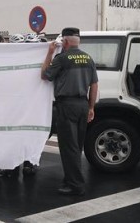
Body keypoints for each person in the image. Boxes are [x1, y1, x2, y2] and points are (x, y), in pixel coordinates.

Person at [41, 27, 98, 196]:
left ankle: (75, 185)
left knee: (69, 148)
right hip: (82, 105)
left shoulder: (62, 58)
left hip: (67, 106)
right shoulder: (88, 59)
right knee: (77, 146)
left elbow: (45, 75)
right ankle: (70, 179)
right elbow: (94, 85)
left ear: (65, 41)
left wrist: (50, 52)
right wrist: (91, 107)